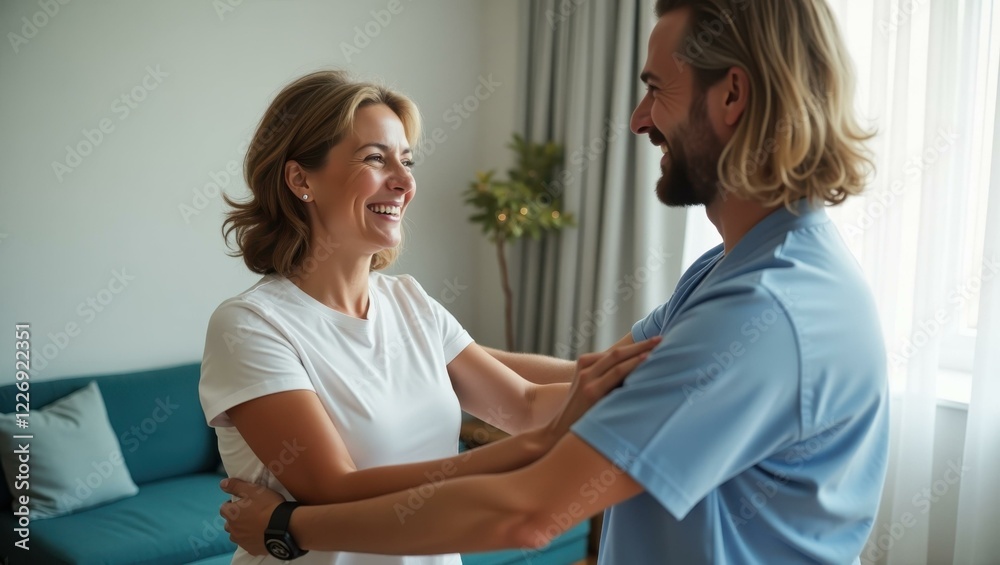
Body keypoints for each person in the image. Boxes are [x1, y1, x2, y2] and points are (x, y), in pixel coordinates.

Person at [219, 0, 890, 563]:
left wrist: (286, 526)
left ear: (733, 95)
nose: (636, 119)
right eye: (375, 158)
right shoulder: (722, 274)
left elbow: (531, 507)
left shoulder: (763, 309)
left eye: (655, 88)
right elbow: (598, 380)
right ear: (299, 179)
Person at [198, 70, 659, 565]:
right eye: (376, 158)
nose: (404, 181)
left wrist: (664, 371)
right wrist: (538, 447)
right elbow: (335, 488)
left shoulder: (409, 302)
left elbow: (522, 403)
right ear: (299, 179)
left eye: (406, 160)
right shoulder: (250, 326)